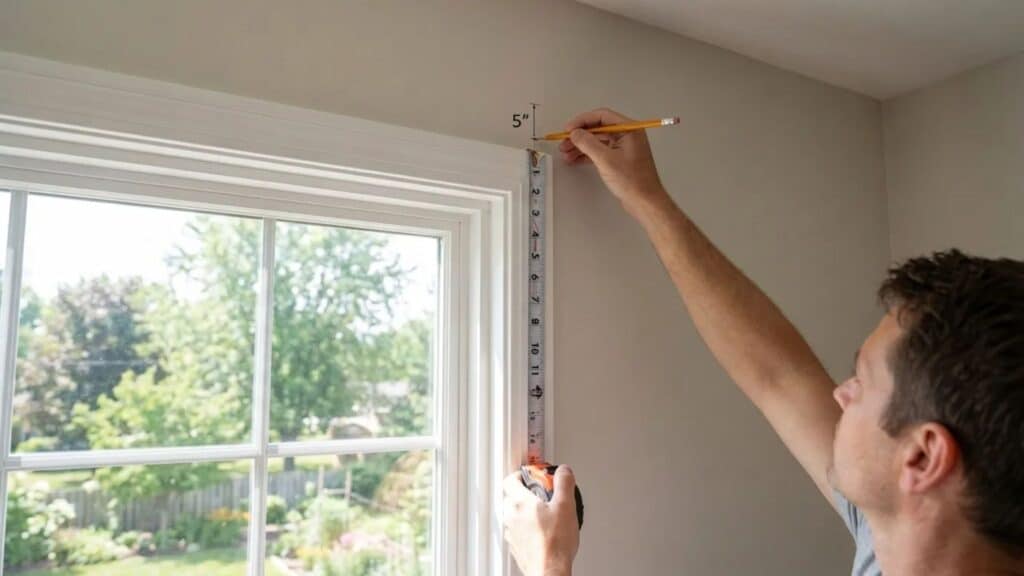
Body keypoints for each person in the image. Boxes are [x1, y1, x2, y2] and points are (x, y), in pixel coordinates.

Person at [501, 108, 1024, 576]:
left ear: (923, 458)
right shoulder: (903, 532)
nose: (839, 394)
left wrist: (549, 566)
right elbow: (778, 374)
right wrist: (647, 198)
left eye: (862, 382)